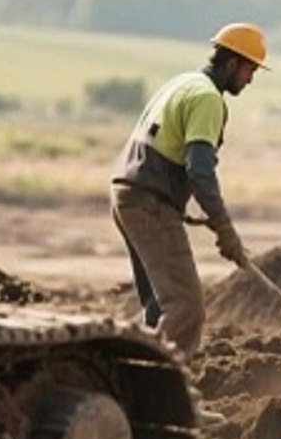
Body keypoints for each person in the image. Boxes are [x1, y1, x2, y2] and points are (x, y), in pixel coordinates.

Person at [110, 21, 268, 365]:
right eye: (249, 70)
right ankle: (163, 398)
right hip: (149, 204)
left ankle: (131, 384)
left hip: (127, 195)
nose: (250, 79)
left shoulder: (182, 83)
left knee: (158, 306)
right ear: (231, 64)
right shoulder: (208, 99)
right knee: (186, 308)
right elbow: (200, 171)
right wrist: (225, 229)